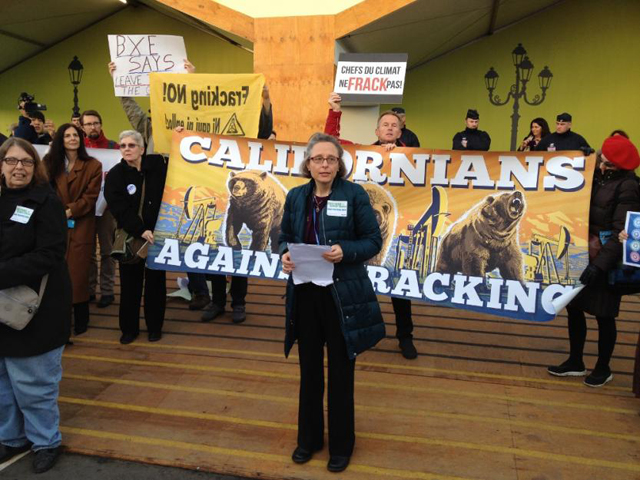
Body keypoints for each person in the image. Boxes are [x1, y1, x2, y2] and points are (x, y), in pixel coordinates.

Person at [279, 133, 385, 473]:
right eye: (318, 159)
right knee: (309, 369)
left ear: (339, 164)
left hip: (343, 297)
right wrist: (283, 254)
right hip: (306, 293)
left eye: (331, 159)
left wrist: (346, 251)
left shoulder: (353, 194)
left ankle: (341, 446)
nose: (324, 165)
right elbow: (282, 237)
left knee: (341, 372)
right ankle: (308, 440)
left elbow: (372, 240)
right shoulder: (296, 197)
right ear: (307, 164)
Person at [324, 93, 418, 359]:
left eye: (394, 125)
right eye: (385, 124)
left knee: (399, 285)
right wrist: (335, 111)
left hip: (396, 229)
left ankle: (405, 336)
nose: (389, 128)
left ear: (401, 131)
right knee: (355, 283)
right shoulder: (362, 153)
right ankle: (353, 330)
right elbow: (330, 143)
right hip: (363, 229)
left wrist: (398, 154)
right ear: (376, 130)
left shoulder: (412, 157)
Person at [0, 137, 72, 473]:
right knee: (2, 384)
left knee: (34, 385)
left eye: (26, 162)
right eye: (11, 161)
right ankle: (12, 438)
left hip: (36, 310)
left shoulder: (46, 201)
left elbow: (50, 253)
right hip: (2, 310)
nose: (19, 168)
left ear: (36, 166)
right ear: (1, 166)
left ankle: (45, 440)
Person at [548, 135, 640, 387]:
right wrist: (581, 160)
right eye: (602, 159)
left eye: (608, 164)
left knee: (604, 315)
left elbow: (622, 232)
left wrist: (598, 266)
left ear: (620, 167)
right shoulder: (596, 174)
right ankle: (575, 361)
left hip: (605, 261)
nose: (602, 166)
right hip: (582, 253)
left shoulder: (628, 186)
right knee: (574, 309)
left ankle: (603, 367)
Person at [104, 130, 167, 344]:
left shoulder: (157, 166)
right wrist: (140, 229)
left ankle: (154, 327)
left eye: (132, 145)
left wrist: (177, 135)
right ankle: (129, 329)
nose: (127, 149)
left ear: (142, 148)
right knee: (130, 285)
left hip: (158, 235)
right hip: (132, 237)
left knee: (156, 284)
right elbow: (119, 208)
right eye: (123, 146)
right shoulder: (115, 175)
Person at [44, 124, 102, 335]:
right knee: (55, 273)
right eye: (67, 135)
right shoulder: (49, 163)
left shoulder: (93, 165)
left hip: (80, 224)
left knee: (78, 274)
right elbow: (44, 191)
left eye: (75, 135)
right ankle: (58, 319)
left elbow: (90, 197)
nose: (72, 139)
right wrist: (55, 214)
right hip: (53, 225)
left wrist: (68, 212)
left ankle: (81, 319)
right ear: (61, 139)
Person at [80, 109, 118, 309]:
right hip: (85, 207)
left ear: (101, 124)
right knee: (87, 251)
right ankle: (89, 289)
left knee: (107, 250)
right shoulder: (79, 148)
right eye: (88, 124)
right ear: (82, 127)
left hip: (106, 208)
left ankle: (108, 290)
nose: (92, 127)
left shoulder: (114, 147)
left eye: (95, 123)